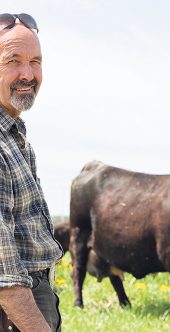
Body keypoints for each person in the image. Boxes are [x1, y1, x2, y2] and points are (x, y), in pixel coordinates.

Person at [0, 13, 63, 331]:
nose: (28, 74)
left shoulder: (14, 134)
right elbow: (4, 278)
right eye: (13, 61)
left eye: (35, 61)